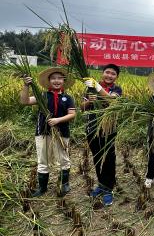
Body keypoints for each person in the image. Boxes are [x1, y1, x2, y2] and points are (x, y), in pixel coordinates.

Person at [20, 67, 76, 197]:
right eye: (53, 78)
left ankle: (65, 184)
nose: (56, 81)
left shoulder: (68, 98)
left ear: (64, 80)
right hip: (43, 132)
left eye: (59, 78)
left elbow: (72, 114)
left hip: (62, 132)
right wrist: (26, 86)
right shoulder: (42, 96)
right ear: (49, 80)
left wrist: (57, 120)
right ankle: (42, 187)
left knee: (63, 158)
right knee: (43, 160)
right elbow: (24, 101)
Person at [81, 64, 122, 206]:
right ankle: (101, 184)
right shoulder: (89, 88)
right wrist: (89, 102)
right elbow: (82, 107)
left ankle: (109, 189)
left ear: (116, 77)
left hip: (108, 129)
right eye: (107, 72)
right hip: (92, 128)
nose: (109, 75)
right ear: (102, 73)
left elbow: (111, 101)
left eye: (113, 74)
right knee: (97, 157)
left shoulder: (117, 90)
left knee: (109, 158)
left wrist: (98, 87)